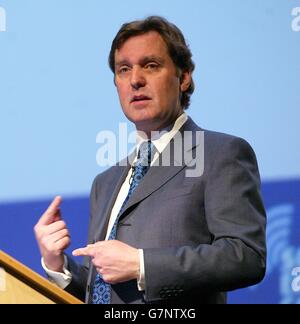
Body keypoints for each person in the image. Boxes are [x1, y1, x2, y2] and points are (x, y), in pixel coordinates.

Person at [34, 16, 266, 304]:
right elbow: (108, 295)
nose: (136, 79)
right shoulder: (105, 183)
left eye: (151, 65)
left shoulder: (220, 153)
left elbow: (245, 256)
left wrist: (142, 265)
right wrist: (58, 267)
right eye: (124, 69)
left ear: (183, 77)